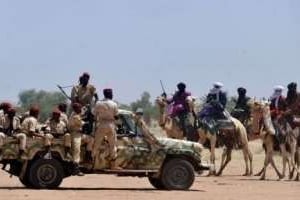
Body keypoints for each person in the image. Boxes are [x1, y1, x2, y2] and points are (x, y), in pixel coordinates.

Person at [93, 88, 121, 170]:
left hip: (101, 124)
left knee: (96, 144)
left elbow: (93, 113)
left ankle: (92, 163)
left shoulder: (98, 103)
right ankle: (113, 165)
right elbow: (116, 116)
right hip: (111, 124)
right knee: (112, 145)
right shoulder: (114, 104)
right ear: (110, 94)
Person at [68, 103, 94, 176]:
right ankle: (75, 168)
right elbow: (82, 123)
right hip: (75, 134)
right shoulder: (75, 116)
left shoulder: (75, 113)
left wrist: (87, 107)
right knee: (77, 150)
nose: (80, 109)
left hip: (80, 134)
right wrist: (88, 122)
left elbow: (83, 112)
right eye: (79, 108)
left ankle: (88, 155)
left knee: (90, 139)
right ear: (76, 109)